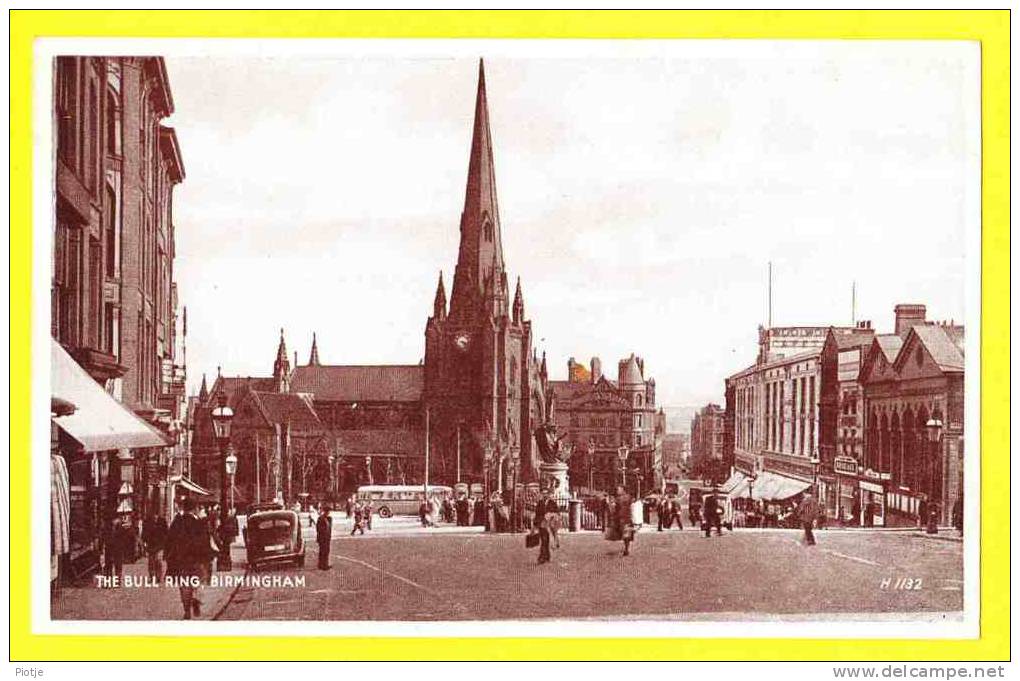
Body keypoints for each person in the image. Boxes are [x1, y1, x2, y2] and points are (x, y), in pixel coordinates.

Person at [165, 497, 213, 619]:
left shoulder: (177, 522)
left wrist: (169, 557)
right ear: (195, 508)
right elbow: (206, 541)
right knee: (199, 580)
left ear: (183, 508)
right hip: (197, 559)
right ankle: (196, 597)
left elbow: (169, 540)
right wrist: (208, 557)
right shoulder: (200, 523)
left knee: (184, 585)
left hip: (181, 560)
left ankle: (187, 610)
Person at [533, 489, 558, 564]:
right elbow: (537, 514)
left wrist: (551, 515)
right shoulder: (540, 503)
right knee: (544, 540)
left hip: (550, 524)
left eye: (546, 493)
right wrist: (535, 524)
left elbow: (557, 512)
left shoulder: (552, 503)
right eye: (543, 494)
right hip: (542, 524)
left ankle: (544, 557)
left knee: (545, 540)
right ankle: (544, 556)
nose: (544, 495)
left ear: (548, 494)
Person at [142, 512, 168, 581]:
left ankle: (159, 576)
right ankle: (152, 576)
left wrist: (165, 541)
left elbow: (166, 531)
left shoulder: (162, 521)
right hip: (150, 544)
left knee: (158, 560)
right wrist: (145, 542)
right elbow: (144, 533)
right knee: (151, 561)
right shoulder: (147, 521)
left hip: (160, 544)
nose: (155, 517)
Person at [614, 486, 635, 556]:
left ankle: (627, 549)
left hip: (626, 518)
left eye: (619, 489)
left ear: (623, 490)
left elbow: (632, 507)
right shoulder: (618, 499)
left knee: (626, 534)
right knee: (625, 534)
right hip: (622, 518)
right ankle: (626, 548)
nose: (617, 491)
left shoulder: (626, 498)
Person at [316, 504, 332, 570]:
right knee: (323, 551)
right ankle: (322, 565)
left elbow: (329, 528)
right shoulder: (321, 518)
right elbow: (318, 528)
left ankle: (325, 564)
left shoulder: (329, 518)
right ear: (324, 511)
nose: (328, 512)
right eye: (327, 511)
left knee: (327, 551)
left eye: (329, 511)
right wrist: (322, 535)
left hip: (327, 538)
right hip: (322, 538)